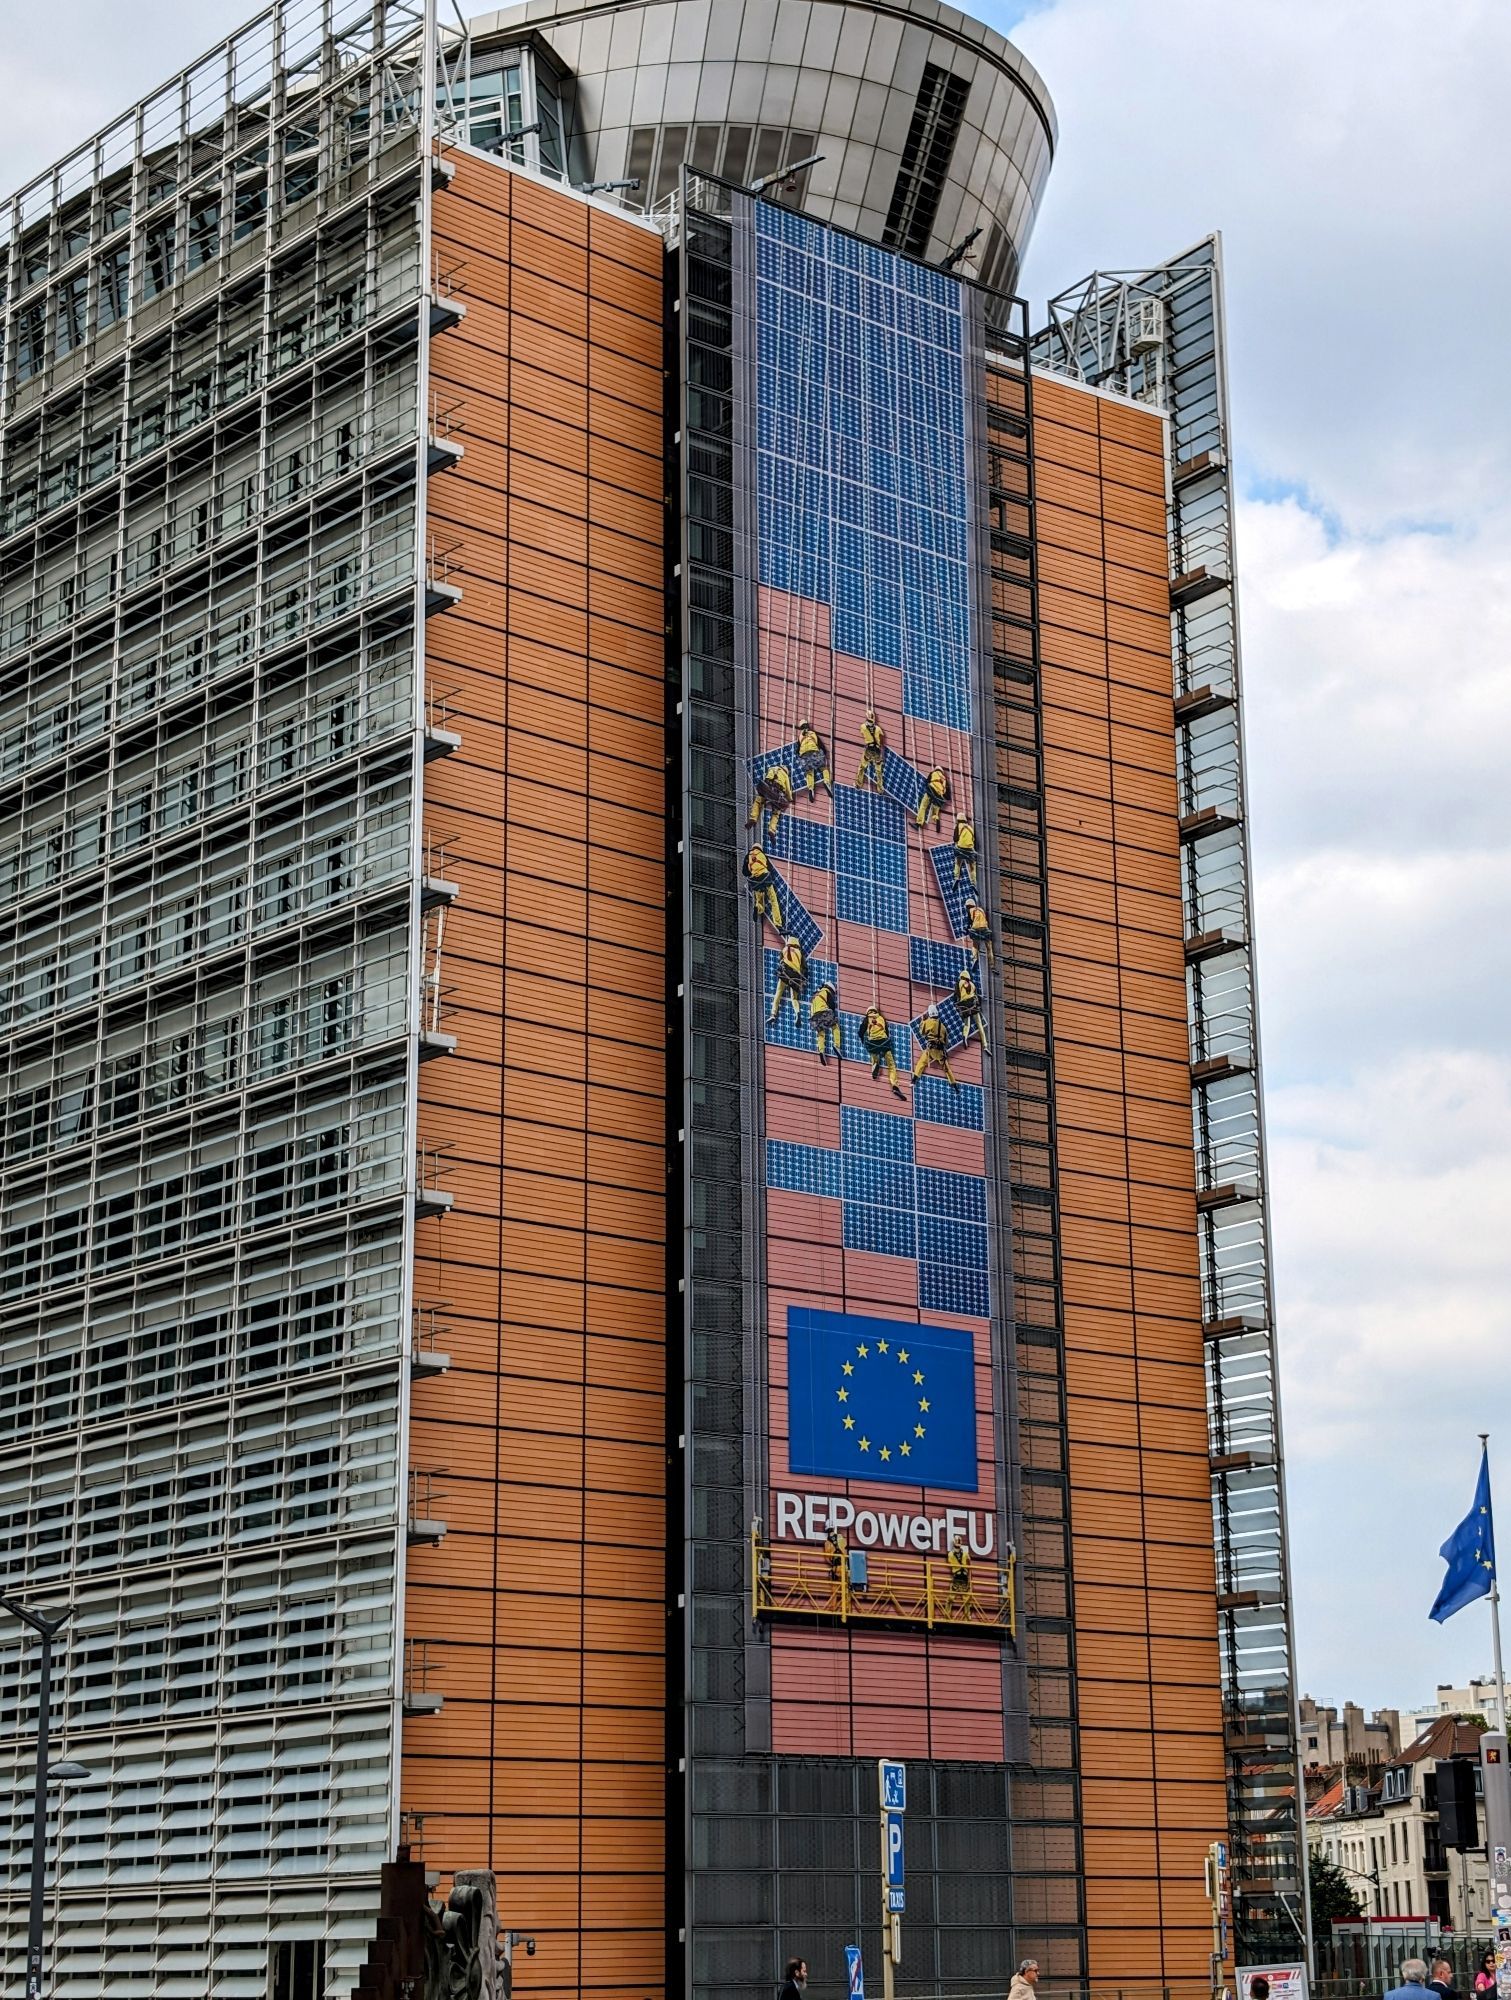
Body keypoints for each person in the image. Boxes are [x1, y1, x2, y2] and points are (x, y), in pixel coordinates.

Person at [861, 1004, 904, 1099]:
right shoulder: (881, 1018)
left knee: (873, 1055)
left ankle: (875, 1067)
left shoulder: (866, 1019)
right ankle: (895, 1086)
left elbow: (861, 1032)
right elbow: (887, 1032)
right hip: (884, 1042)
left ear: (868, 1012)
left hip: (873, 1043)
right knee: (891, 1065)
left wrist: (862, 1040)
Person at [912, 1004, 957, 1088]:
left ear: (929, 1014)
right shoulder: (943, 1027)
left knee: (921, 1063)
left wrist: (922, 1020)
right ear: (937, 1014)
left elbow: (922, 1032)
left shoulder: (927, 1022)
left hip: (930, 1051)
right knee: (947, 1069)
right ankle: (954, 1085)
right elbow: (946, 1042)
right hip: (940, 1052)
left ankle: (914, 1080)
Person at [742, 843, 783, 932]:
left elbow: (744, 872)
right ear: (760, 848)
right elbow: (770, 868)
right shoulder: (763, 855)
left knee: (759, 901)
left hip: (755, 881)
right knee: (773, 900)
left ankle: (758, 907)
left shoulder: (748, 856)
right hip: (765, 878)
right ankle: (778, 924)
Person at [749, 763, 794, 838]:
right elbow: (788, 791)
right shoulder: (785, 776)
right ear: (786, 771)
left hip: (767, 788)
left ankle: (753, 818)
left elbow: (767, 777)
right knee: (776, 813)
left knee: (758, 801)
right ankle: (771, 830)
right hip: (777, 794)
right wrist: (790, 799)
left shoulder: (772, 768)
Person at [769, 934, 806, 1023]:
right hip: (795, 977)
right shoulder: (799, 953)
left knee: (778, 994)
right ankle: (797, 1013)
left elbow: (780, 961)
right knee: (794, 998)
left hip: (785, 974)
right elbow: (804, 967)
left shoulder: (784, 950)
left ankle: (773, 1014)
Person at [954, 966, 989, 1054]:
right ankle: (985, 1045)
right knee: (979, 1025)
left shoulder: (959, 982)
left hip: (964, 1005)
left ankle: (965, 1037)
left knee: (967, 1024)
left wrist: (956, 1003)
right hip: (973, 1005)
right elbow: (977, 997)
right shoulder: (973, 985)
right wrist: (978, 1006)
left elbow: (956, 994)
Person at [795, 719, 832, 797]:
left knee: (809, 772)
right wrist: (824, 753)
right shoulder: (813, 733)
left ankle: (811, 788)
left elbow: (797, 750)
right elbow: (820, 745)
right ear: (808, 725)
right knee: (824, 768)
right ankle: (826, 782)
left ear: (800, 728)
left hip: (804, 755)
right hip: (814, 752)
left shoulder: (800, 737)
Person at [809, 981, 842, 1064]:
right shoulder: (826, 992)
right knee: (835, 1026)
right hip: (823, 1013)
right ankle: (836, 1045)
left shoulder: (816, 994)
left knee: (821, 1033)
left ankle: (821, 1051)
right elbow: (832, 1006)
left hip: (814, 1018)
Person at [856, 710, 886, 791]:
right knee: (879, 771)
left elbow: (862, 732)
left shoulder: (863, 726)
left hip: (869, 750)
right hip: (877, 751)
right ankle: (880, 789)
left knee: (862, 767)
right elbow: (882, 737)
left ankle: (858, 784)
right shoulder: (878, 728)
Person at [916, 764, 950, 829]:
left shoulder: (933, 773)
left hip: (931, 790)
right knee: (935, 812)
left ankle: (919, 823)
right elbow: (948, 795)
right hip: (939, 795)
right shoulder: (944, 779)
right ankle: (936, 818)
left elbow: (926, 782)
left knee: (923, 806)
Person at [965, 897, 994, 964]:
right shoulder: (981, 910)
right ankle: (992, 964)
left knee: (975, 944)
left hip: (976, 928)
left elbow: (969, 922)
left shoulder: (970, 910)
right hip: (985, 929)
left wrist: (966, 930)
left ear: (968, 906)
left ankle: (975, 958)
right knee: (989, 947)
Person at [952, 814, 978, 885]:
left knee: (957, 862)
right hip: (970, 849)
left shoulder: (958, 827)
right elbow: (973, 840)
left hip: (960, 848)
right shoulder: (970, 828)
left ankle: (956, 877)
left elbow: (955, 839)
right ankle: (973, 882)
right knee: (972, 867)